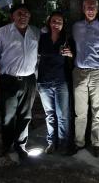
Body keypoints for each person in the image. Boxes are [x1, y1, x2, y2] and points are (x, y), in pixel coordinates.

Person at [0, 4, 40, 161]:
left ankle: (21, 145)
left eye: (26, 13)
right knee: (8, 117)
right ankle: (7, 145)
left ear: (29, 16)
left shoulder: (35, 32)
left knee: (25, 116)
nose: (23, 16)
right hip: (8, 80)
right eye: (19, 13)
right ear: (13, 16)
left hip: (29, 81)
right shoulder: (2, 33)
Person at [71, 0, 99, 157]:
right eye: (88, 6)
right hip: (79, 72)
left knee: (97, 111)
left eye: (94, 6)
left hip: (98, 73)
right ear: (83, 8)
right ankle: (79, 142)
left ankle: (96, 143)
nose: (91, 9)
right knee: (80, 112)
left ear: (98, 9)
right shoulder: (75, 27)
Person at [37, 11, 73, 155]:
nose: (56, 24)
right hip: (44, 81)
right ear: (49, 22)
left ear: (63, 24)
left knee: (62, 114)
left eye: (59, 21)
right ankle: (52, 141)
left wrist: (70, 54)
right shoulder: (42, 37)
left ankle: (64, 142)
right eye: (54, 21)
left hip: (60, 80)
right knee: (50, 114)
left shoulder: (67, 38)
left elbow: (74, 56)